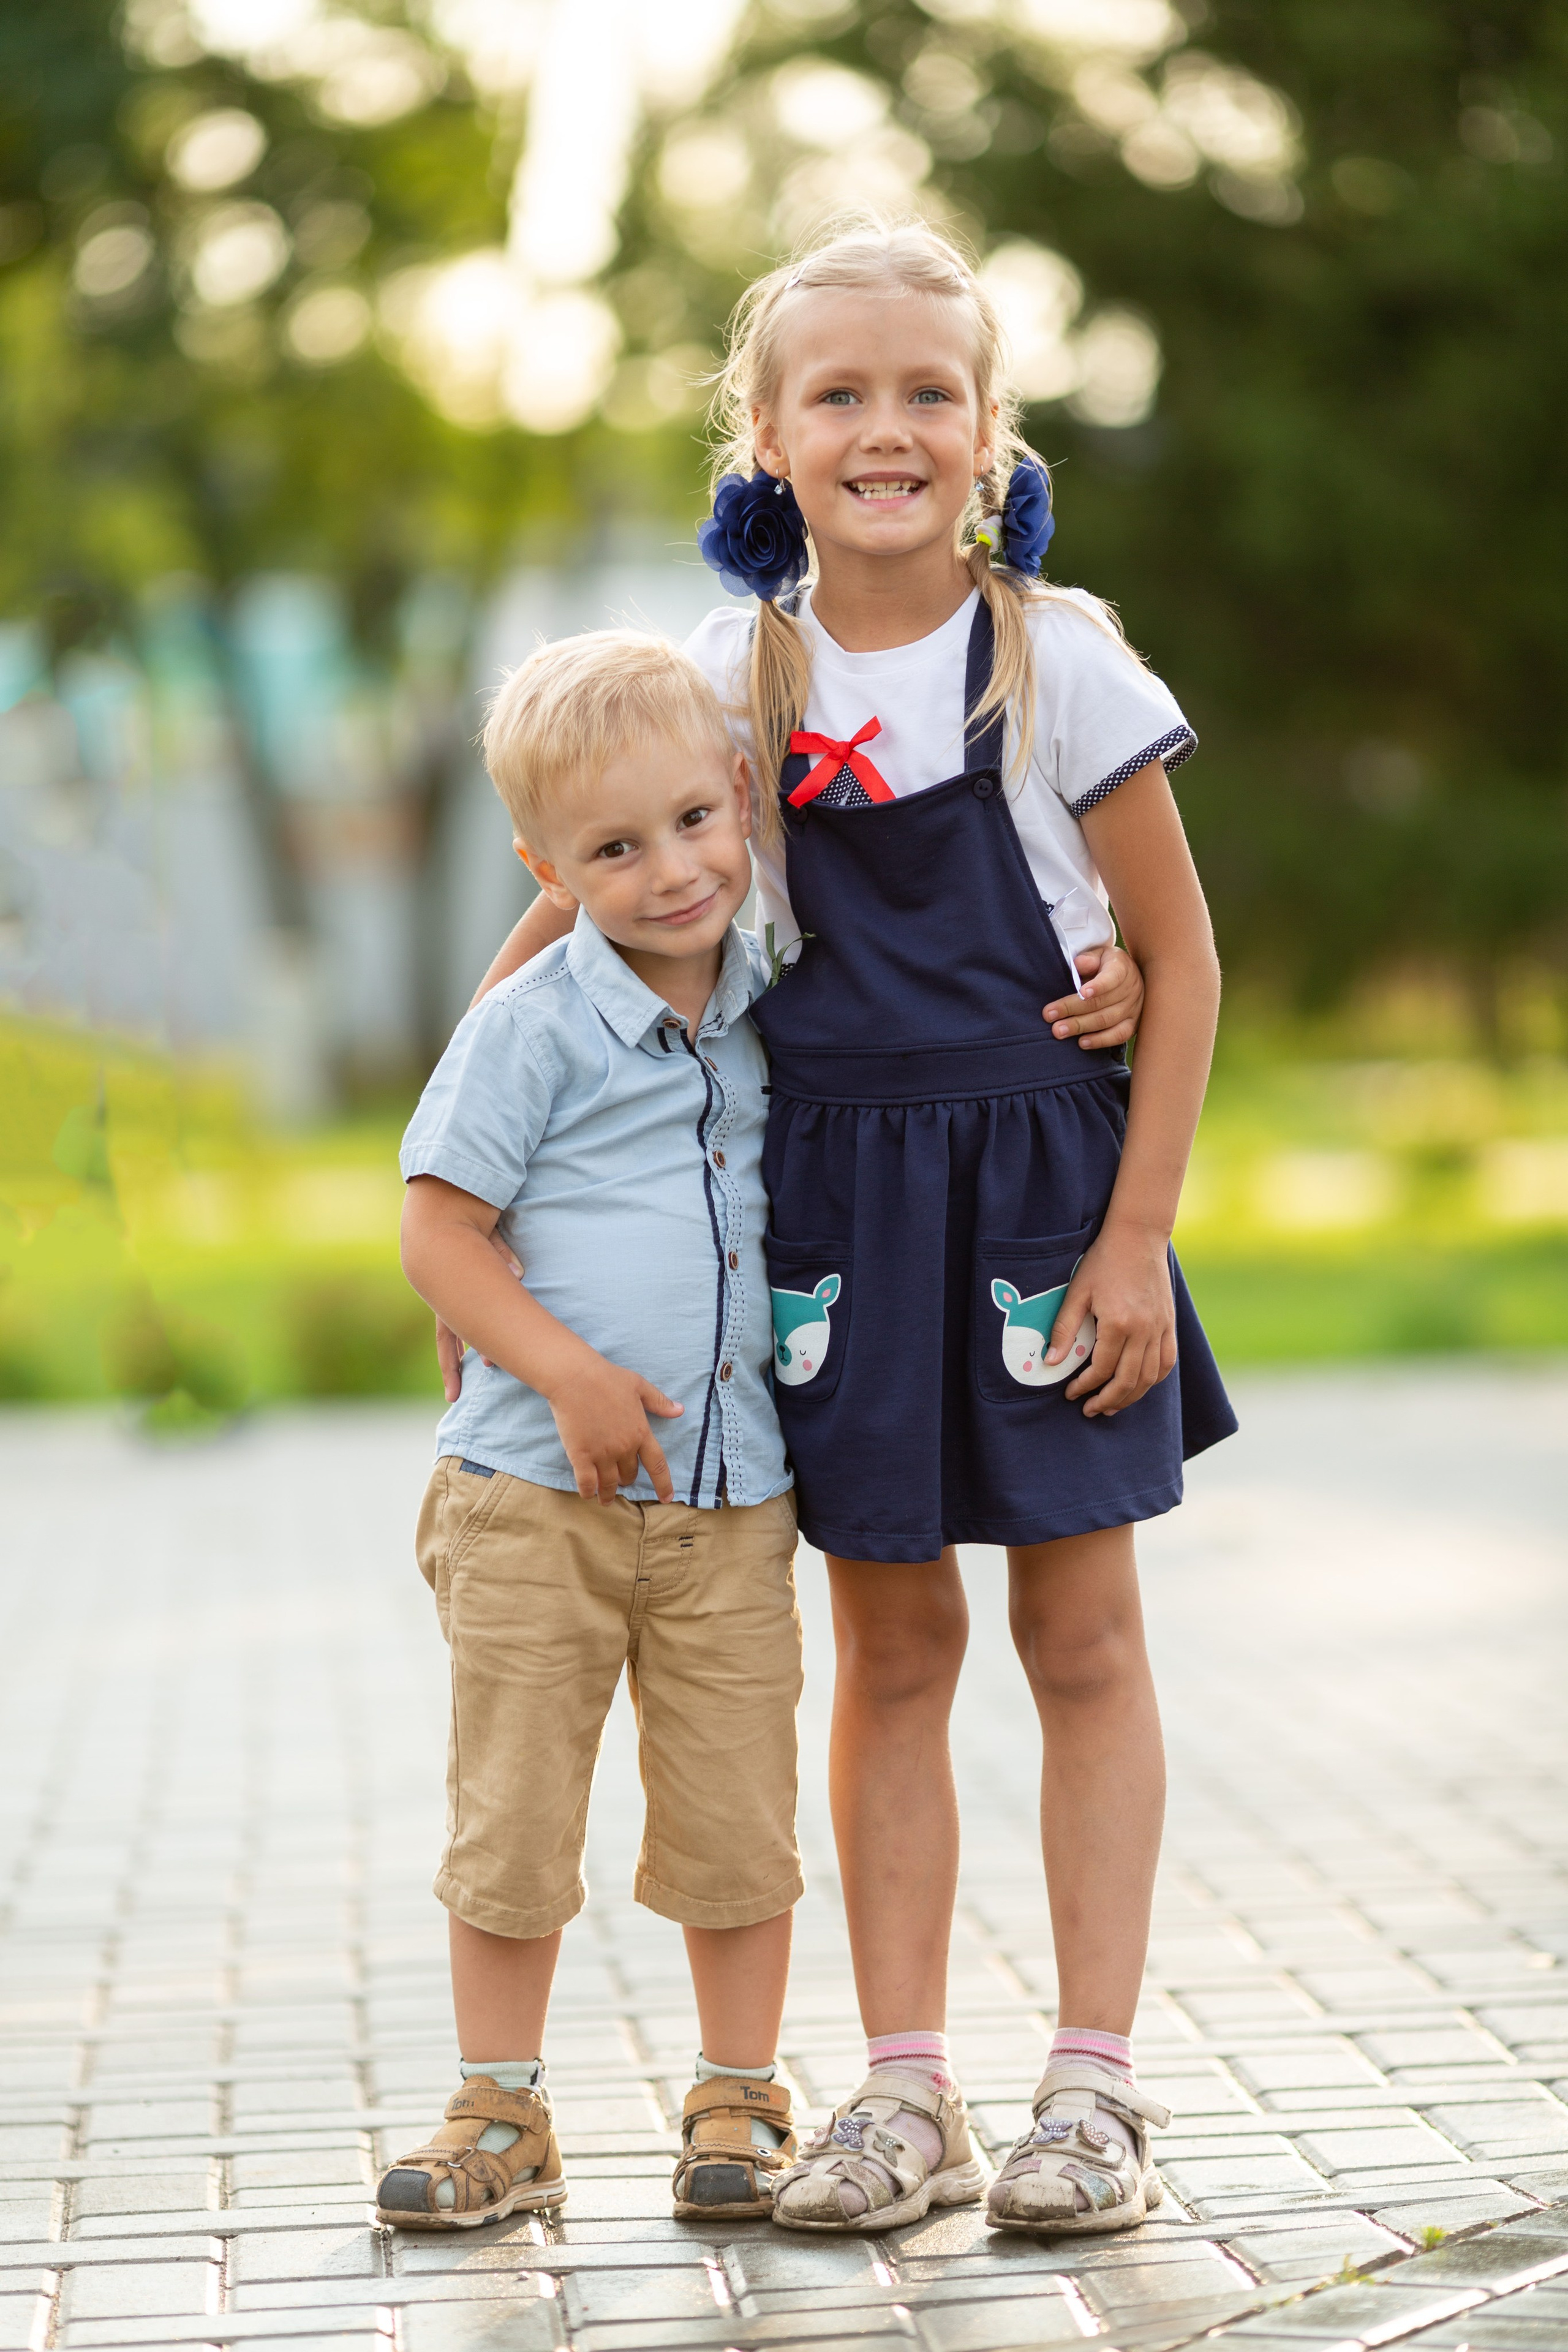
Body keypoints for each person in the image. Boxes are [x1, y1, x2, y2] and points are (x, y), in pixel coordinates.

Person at [459, 216, 1236, 2239]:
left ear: (988, 435)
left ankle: (1097, 2087)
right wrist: (469, 1175)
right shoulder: (730, 674)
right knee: (890, 1651)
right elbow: (567, 950)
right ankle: (906, 2095)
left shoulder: (1062, 661)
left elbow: (1183, 956)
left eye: (930, 392)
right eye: (840, 395)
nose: (886, 427)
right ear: (767, 436)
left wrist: (1138, 1233)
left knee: (1082, 1635)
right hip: (842, 1210)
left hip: (1051, 1205)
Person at [379, 632, 805, 2231]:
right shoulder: (531, 1026)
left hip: (730, 1495)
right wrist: (560, 1371)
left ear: (743, 799)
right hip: (529, 1495)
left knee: (735, 1812)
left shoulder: (777, 997)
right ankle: (502, 2110)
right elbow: (437, 1234)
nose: (671, 870)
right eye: (613, 849)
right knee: (514, 1812)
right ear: (544, 867)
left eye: (696, 821)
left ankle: (740, 2092)